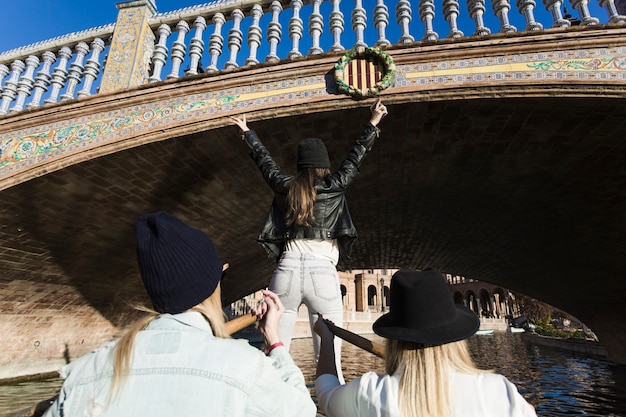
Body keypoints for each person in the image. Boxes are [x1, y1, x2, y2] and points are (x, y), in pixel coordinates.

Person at [43, 211, 317, 417]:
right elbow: (303, 411)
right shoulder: (245, 366)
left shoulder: (89, 369)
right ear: (214, 285)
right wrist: (275, 343)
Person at [230, 99, 388, 382]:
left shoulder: (285, 186)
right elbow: (356, 157)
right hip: (323, 274)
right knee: (328, 361)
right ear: (324, 166)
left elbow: (265, 162)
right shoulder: (334, 185)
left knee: (277, 352)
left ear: (301, 166)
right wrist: (373, 121)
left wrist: (247, 132)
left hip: (286, 273)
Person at [314, 268, 538, 417]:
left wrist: (327, 339)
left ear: (394, 337)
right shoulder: (497, 391)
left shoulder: (370, 392)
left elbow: (326, 394)